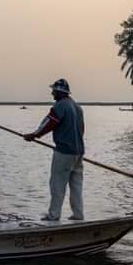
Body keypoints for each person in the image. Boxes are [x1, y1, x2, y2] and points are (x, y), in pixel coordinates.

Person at [23, 78, 85, 221]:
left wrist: (34, 135)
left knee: (57, 184)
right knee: (76, 185)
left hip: (64, 152)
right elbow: (82, 130)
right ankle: (78, 215)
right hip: (79, 152)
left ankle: (54, 215)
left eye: (54, 91)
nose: (52, 93)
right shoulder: (77, 107)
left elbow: (48, 123)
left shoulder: (60, 106)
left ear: (59, 92)